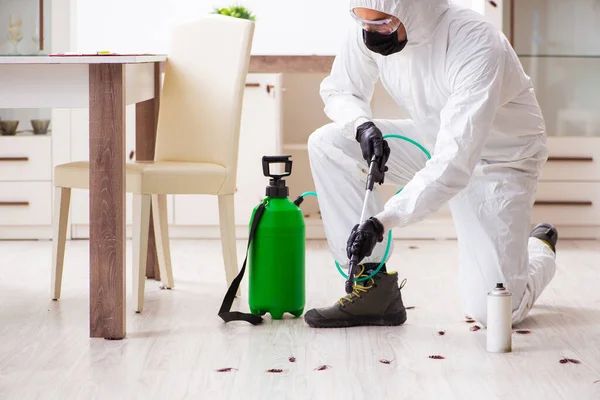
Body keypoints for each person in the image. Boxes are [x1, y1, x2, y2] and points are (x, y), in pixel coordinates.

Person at [304, 0, 558, 328]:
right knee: (329, 143)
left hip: (500, 161)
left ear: (414, 8)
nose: (370, 34)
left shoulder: (475, 42)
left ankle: (539, 248)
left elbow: (455, 161)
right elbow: (341, 90)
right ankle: (373, 287)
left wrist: (381, 223)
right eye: (363, 23)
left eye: (382, 24)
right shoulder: (372, 24)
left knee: (494, 312)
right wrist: (361, 125)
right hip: (435, 140)